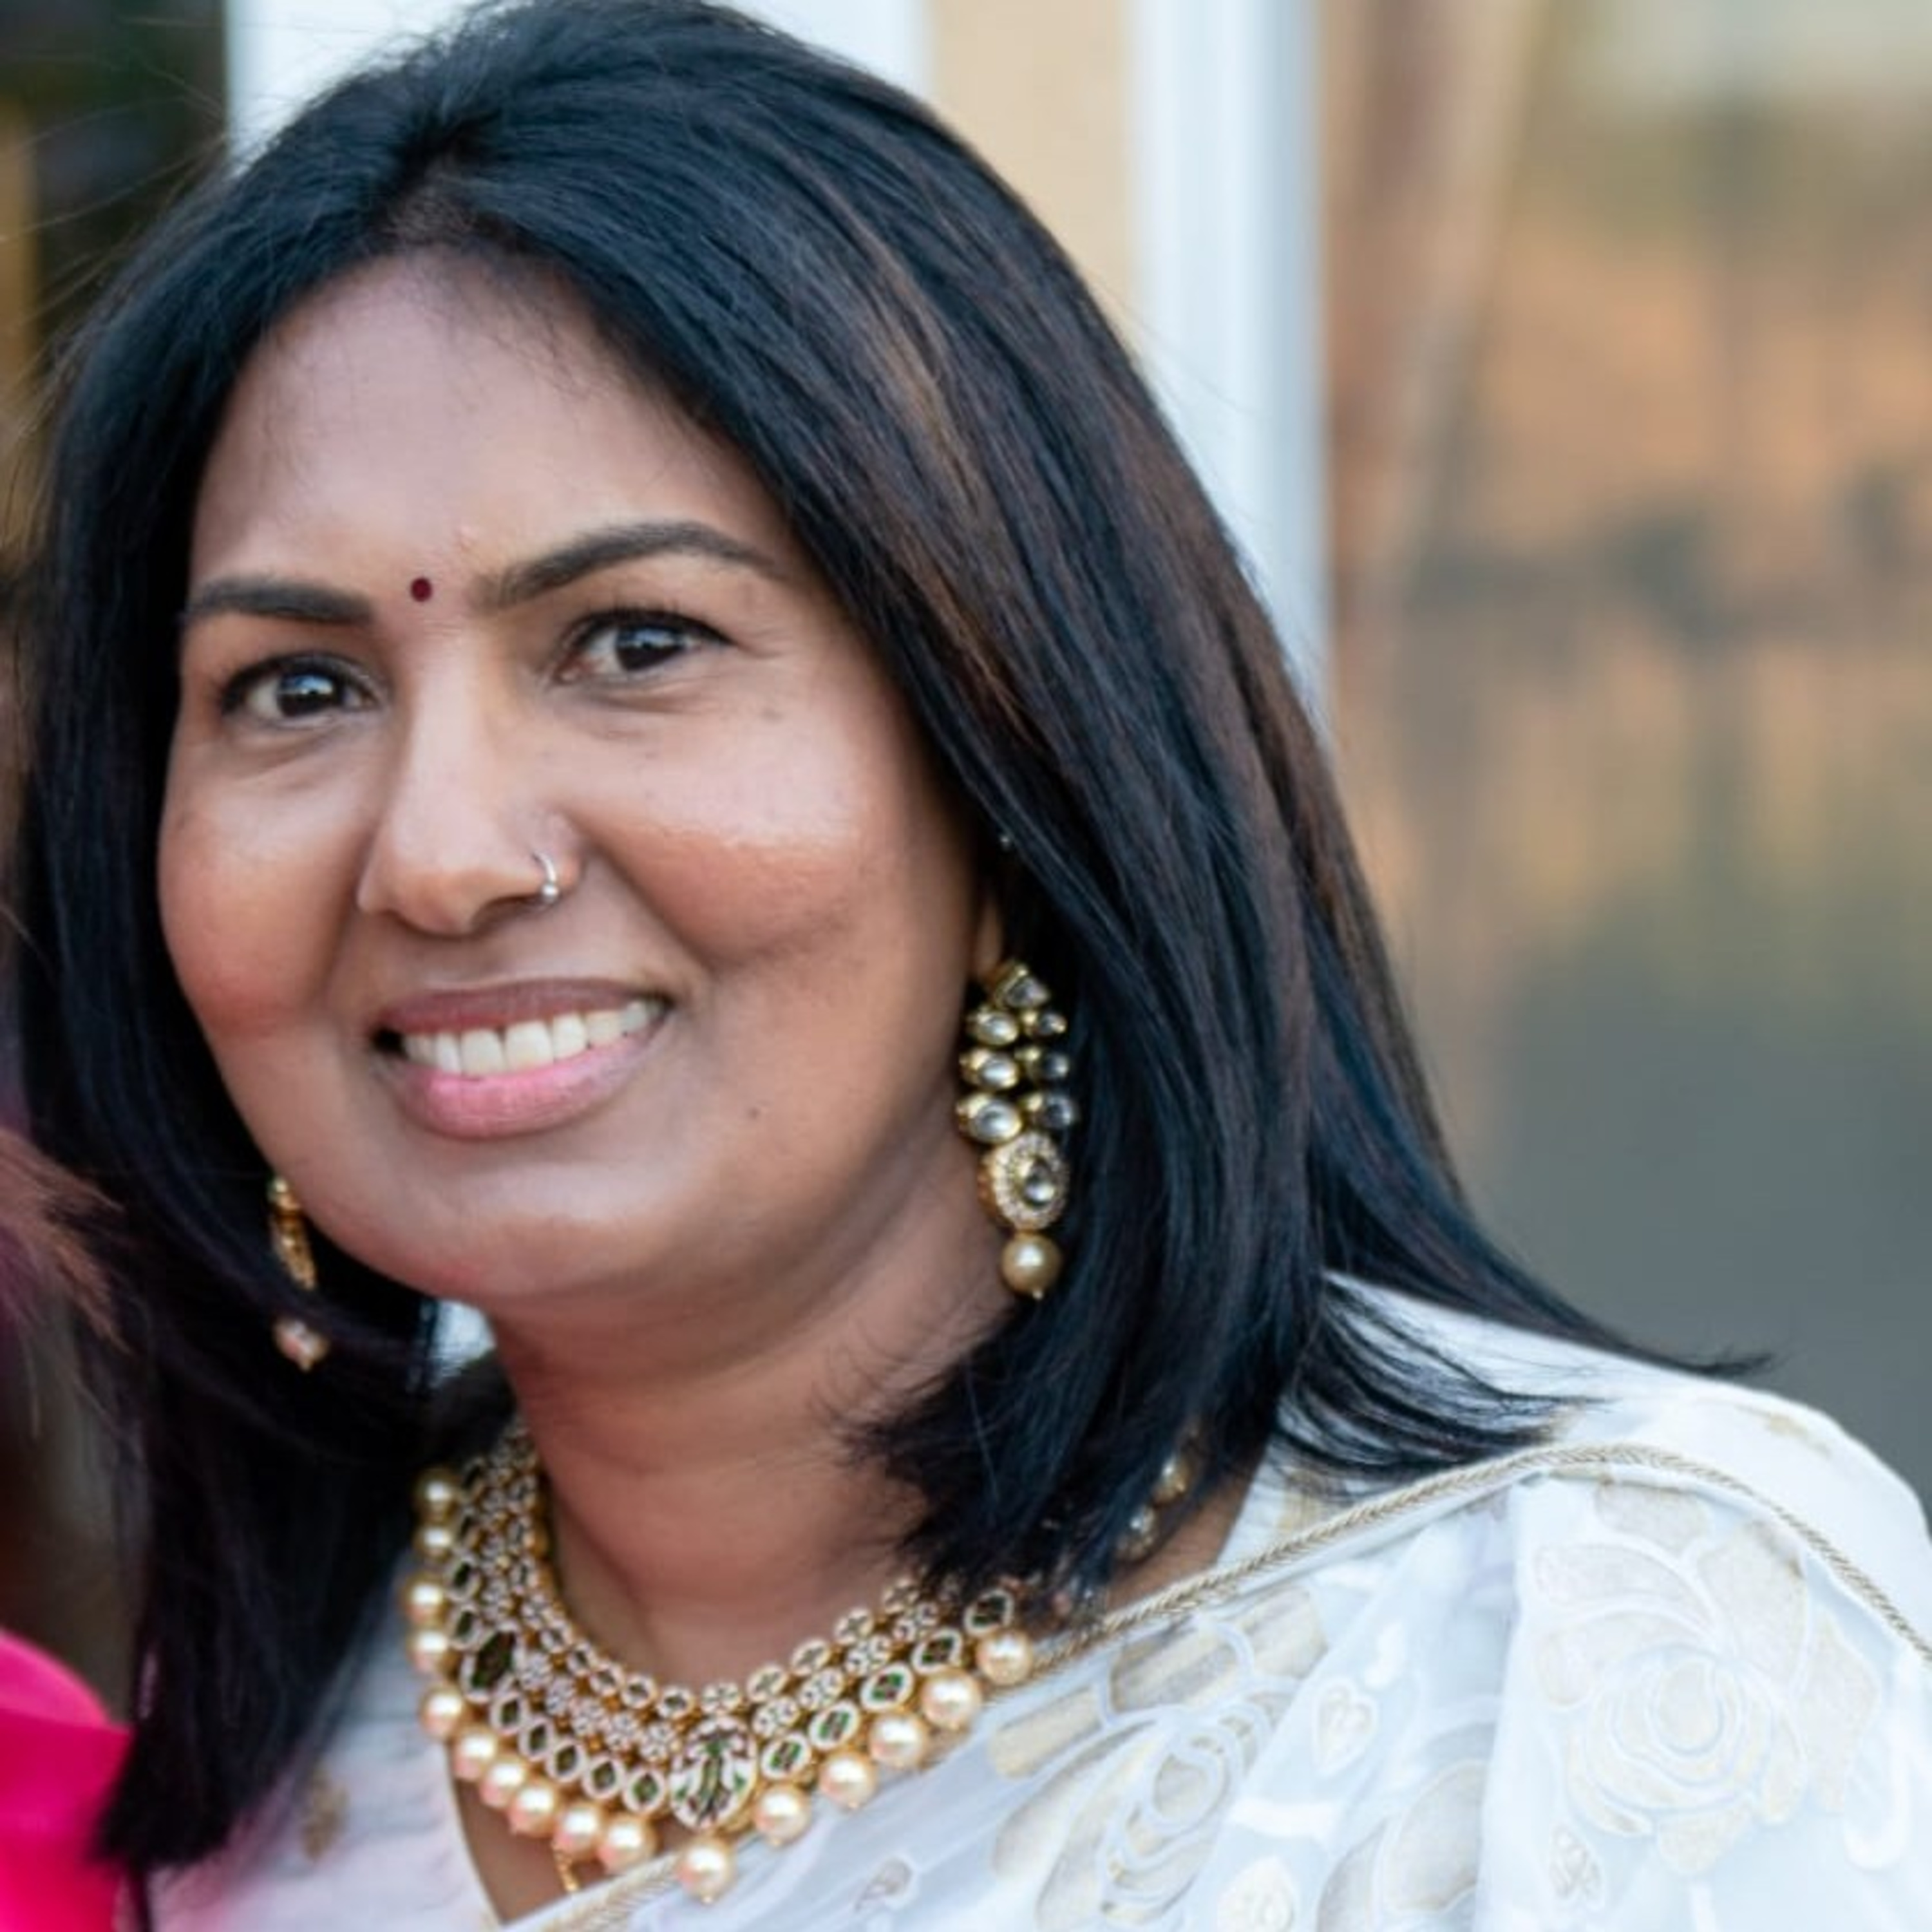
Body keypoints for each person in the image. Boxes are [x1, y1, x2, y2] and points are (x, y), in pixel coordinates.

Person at [10, 1, 1929, 1924]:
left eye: (638, 643)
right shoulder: (247, 1789)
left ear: (1016, 753)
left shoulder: (1588, 1652)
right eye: (298, 686)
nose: (441, 855)